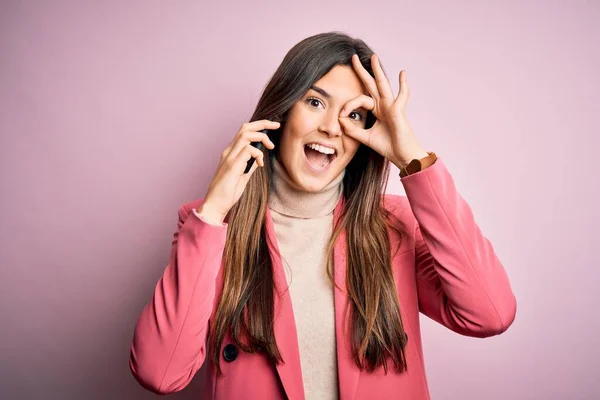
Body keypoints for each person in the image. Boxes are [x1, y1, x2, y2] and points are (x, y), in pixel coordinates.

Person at [128, 31, 517, 400]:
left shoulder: (393, 228)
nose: (331, 127)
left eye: (353, 115)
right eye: (315, 102)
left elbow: (490, 313)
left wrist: (410, 156)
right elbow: (160, 373)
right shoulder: (215, 229)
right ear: (282, 111)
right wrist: (213, 212)